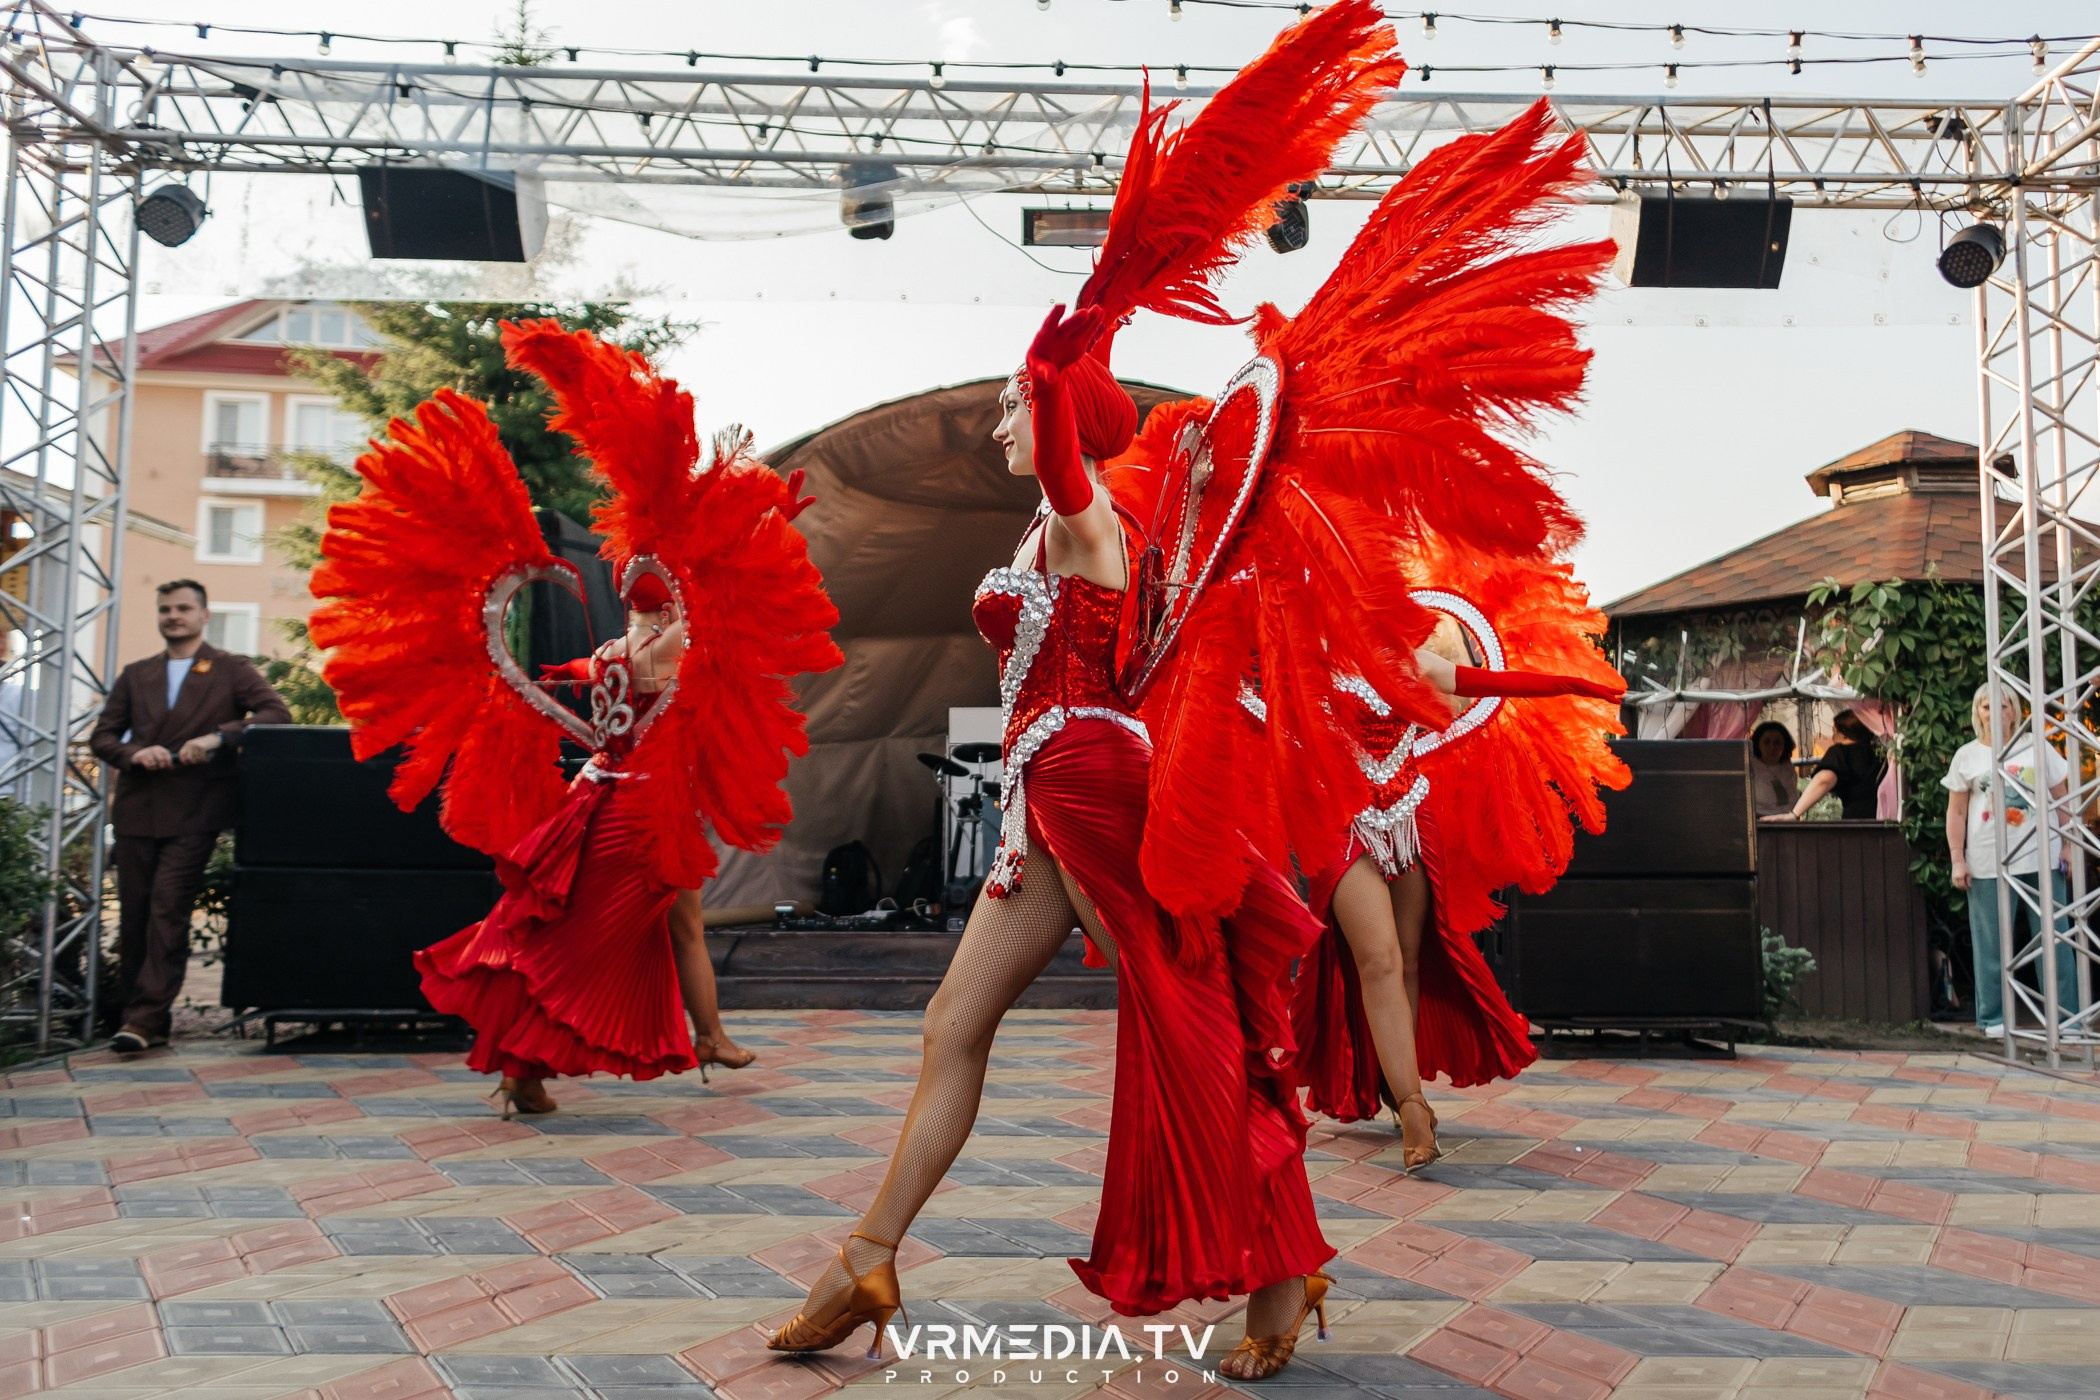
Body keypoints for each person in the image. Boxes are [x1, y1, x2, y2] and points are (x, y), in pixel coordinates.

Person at [770, 5, 1405, 1378]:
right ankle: (868, 1256)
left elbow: (1062, 454)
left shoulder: (1086, 521)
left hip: (1092, 783)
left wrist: (1064, 365)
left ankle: (1285, 1272)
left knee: (1190, 1023)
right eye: (1015, 401)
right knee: (955, 1024)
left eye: (1013, 405)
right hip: (1049, 793)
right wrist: (1069, 356)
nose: (1000, 420)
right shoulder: (1049, 531)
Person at [310, 321, 839, 1118]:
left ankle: (661, 1044)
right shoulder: (671, 648)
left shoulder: (613, 651)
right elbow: (727, 617)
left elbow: (596, 671)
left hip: (593, 794)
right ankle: (615, 1051)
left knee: (620, 925)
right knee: (585, 940)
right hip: (637, 811)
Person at [89, 579, 290, 1052]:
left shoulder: (230, 668)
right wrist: (135, 754)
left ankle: (142, 1019)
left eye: (182, 608)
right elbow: (103, 737)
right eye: (165, 609)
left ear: (204, 615)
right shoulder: (137, 674)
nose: (173, 616)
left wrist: (218, 737)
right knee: (136, 915)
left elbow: (275, 713)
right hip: (137, 809)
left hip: (197, 809)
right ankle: (146, 1018)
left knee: (167, 906)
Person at [1943, 684, 2079, 1035]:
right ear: (1978, 713)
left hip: (2043, 858)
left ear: (2014, 711)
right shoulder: (1967, 756)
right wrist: (1958, 859)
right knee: (1990, 943)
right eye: (1987, 706)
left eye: (2002, 706)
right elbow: (1956, 813)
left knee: (2055, 939)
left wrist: (2068, 845)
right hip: (1987, 861)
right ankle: (1994, 1019)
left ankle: (2067, 1019)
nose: (1995, 712)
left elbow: (2061, 798)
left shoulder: (2037, 746)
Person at [1780, 709, 1884, 820]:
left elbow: (1825, 779)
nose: (1832, 736)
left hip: (1857, 820)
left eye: (1834, 731)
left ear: (1844, 734)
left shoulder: (1840, 752)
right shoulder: (1880, 753)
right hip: (1884, 816)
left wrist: (1794, 814)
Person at [1750, 720, 1801, 819]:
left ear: (1785, 745)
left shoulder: (1788, 767)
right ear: (1758, 744)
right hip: (1760, 822)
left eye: (1777, 743)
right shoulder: (1750, 767)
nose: (1772, 747)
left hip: (1787, 821)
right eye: (1766, 742)